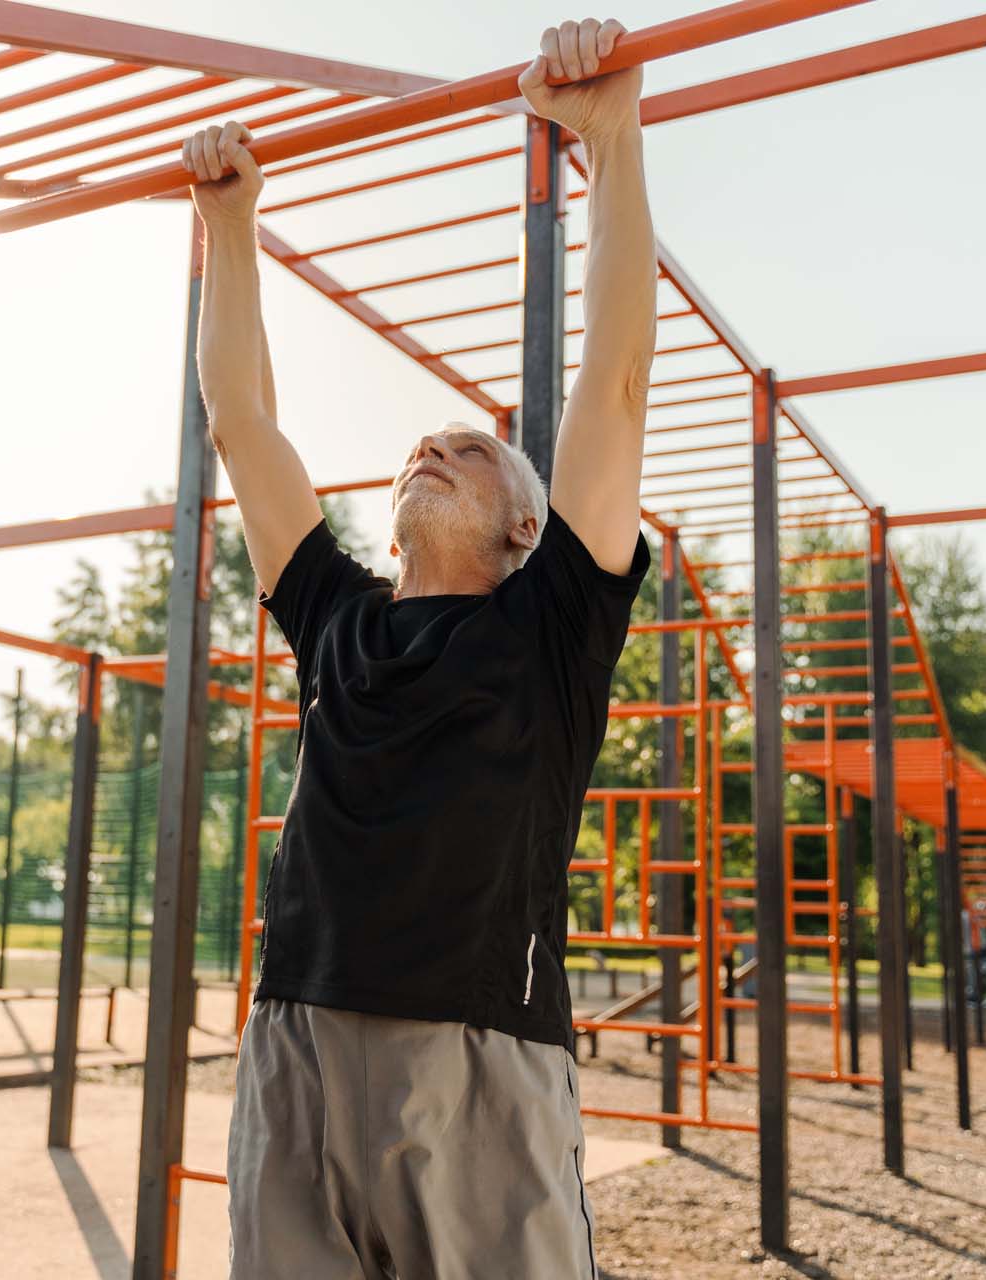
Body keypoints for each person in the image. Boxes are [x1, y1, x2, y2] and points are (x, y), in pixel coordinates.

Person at [181, 18, 655, 1279]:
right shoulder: (336, 614)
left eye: (473, 448)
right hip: (297, 1035)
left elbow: (614, 381)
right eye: (421, 446)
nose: (434, 445)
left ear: (525, 522)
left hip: (478, 1052)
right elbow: (241, 421)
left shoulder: (550, 624)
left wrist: (612, 140)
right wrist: (230, 222)